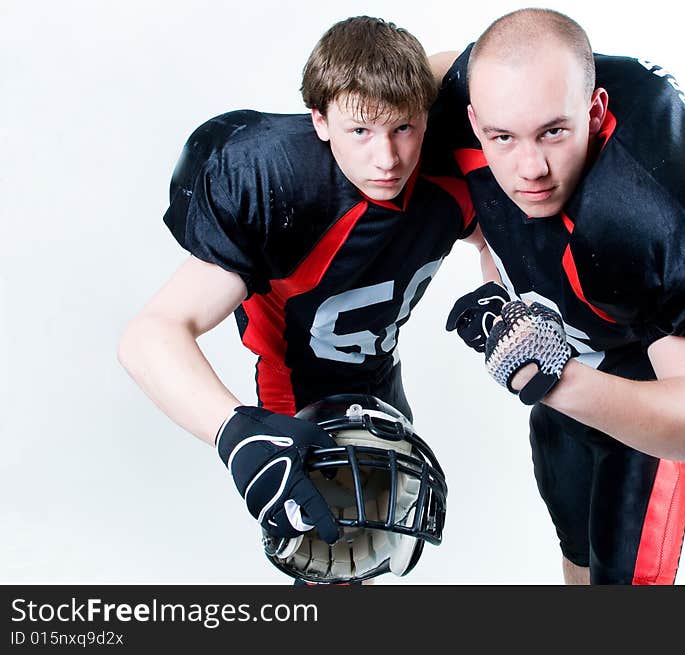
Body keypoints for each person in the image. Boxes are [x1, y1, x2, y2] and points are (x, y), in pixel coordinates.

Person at [117, 16, 482, 582]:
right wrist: (234, 431)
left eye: (404, 128)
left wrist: (505, 295)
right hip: (295, 390)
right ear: (319, 121)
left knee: (385, 543)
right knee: (327, 552)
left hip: (379, 373)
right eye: (360, 131)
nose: (386, 158)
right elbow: (151, 334)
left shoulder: (451, 161)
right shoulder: (276, 180)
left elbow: (500, 240)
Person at [432, 8, 685, 584]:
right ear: (473, 118)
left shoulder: (662, 211)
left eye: (553, 132)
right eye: (502, 138)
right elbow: (417, 75)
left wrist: (550, 378)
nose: (530, 168)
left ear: (595, 111)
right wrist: (494, 267)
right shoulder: (465, 96)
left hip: (645, 385)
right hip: (561, 351)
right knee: (578, 549)